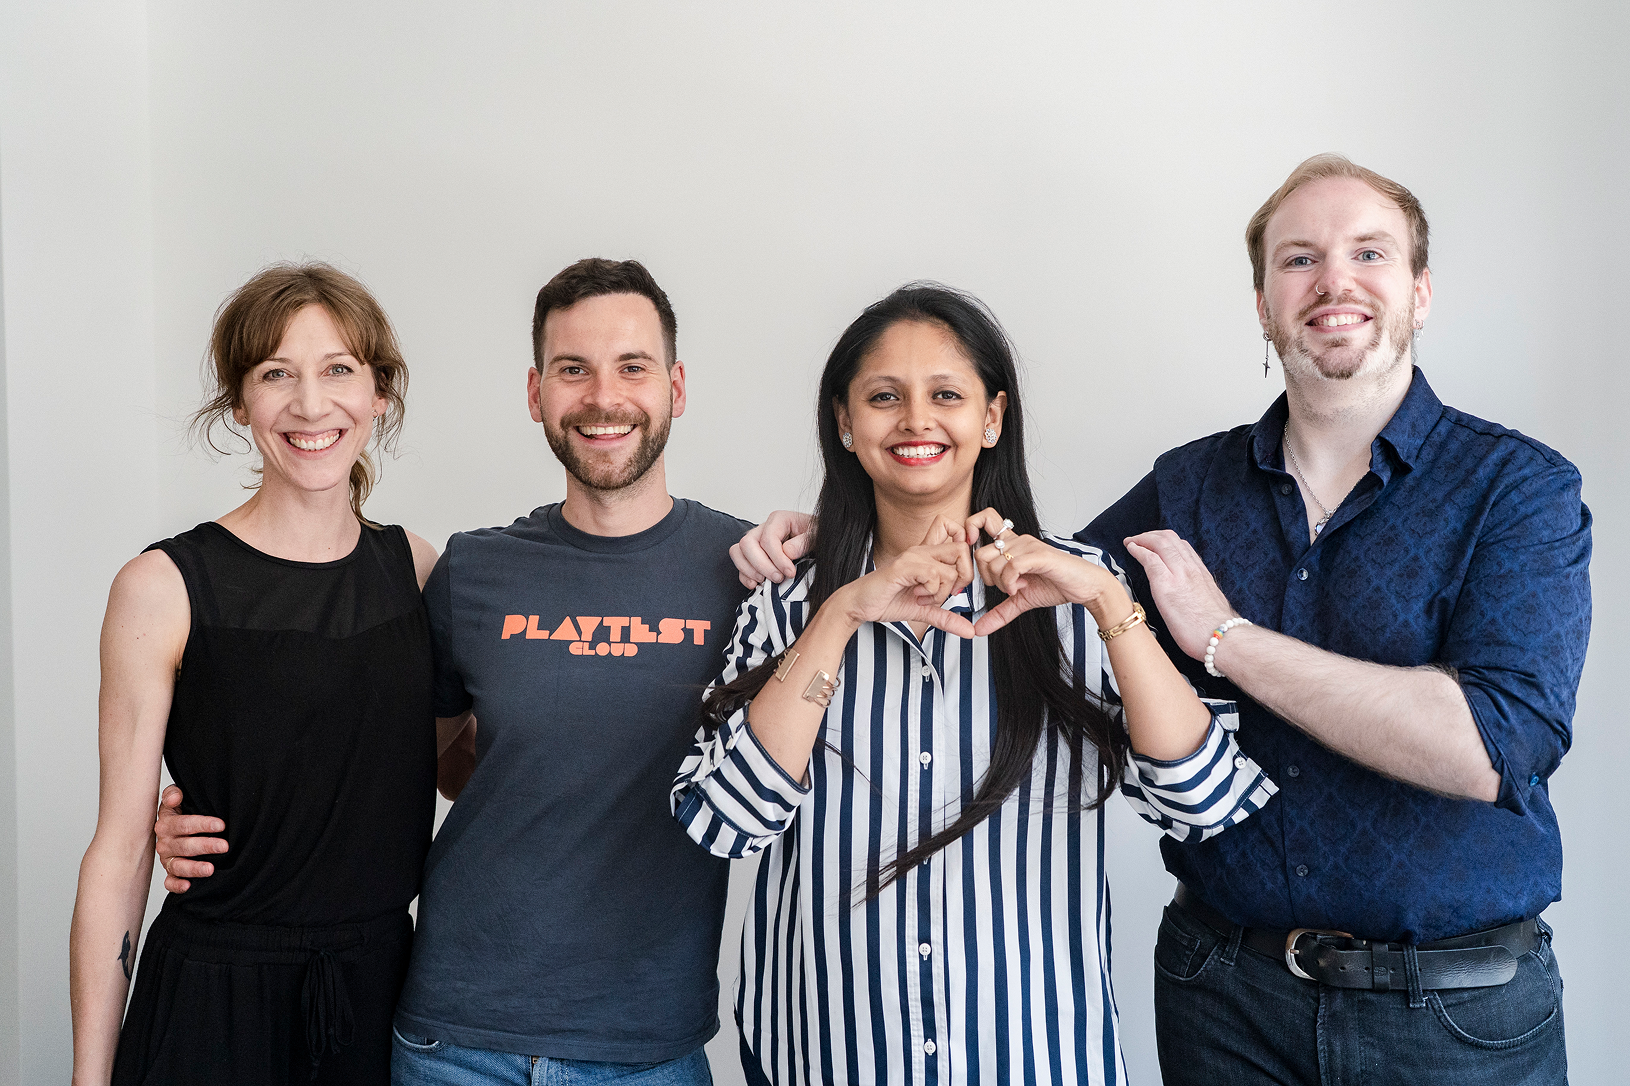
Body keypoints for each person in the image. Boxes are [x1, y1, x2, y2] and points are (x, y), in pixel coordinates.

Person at [732, 156, 1591, 1085]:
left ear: (1419, 292)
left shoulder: (1518, 489)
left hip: (1451, 1010)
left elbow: (1494, 749)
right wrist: (841, 537)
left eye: (1369, 253)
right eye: (1299, 259)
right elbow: (1026, 570)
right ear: (1262, 304)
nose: (1334, 282)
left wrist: (1227, 641)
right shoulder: (1187, 487)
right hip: (1226, 996)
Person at [160, 257, 752, 1085]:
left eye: (633, 367)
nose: (603, 396)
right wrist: (218, 813)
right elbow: (403, 754)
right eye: (572, 369)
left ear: (676, 387)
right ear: (537, 393)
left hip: (646, 1044)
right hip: (454, 1039)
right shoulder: (469, 572)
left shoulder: (750, 572)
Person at [675, 283, 1277, 1086]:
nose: (917, 420)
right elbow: (722, 822)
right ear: (845, 425)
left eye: (947, 395)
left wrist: (1108, 600)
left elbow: (1204, 804)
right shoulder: (786, 602)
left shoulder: (1078, 592)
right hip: (825, 1055)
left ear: (991, 418)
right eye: (884, 397)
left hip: (1035, 1058)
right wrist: (841, 612)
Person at [69, 263, 440, 1086]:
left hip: (384, 1003)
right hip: (211, 1003)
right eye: (277, 374)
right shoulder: (161, 587)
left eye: (338, 369)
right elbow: (121, 851)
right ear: (240, 403)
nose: (311, 406)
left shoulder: (414, 571)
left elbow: (467, 767)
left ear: (379, 393)